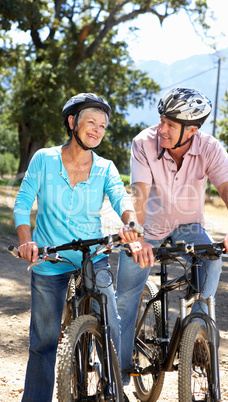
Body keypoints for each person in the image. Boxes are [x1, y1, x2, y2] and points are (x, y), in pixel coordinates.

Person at [116, 87, 228, 385]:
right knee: (125, 298)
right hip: (148, 226)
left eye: (170, 125)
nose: (161, 129)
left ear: (191, 130)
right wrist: (136, 238)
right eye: (161, 120)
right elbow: (138, 195)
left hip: (189, 226)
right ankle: (119, 379)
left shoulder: (210, 147)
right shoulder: (144, 142)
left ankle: (197, 331)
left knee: (212, 260)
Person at [14, 93, 138, 401]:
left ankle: (113, 389)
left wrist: (130, 222)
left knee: (109, 319)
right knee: (43, 341)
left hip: (92, 255)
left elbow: (122, 199)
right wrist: (26, 241)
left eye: (103, 126)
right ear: (72, 123)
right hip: (49, 257)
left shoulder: (106, 167)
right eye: (91, 123)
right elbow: (22, 203)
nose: (97, 130)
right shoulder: (44, 158)